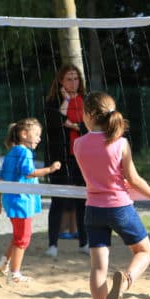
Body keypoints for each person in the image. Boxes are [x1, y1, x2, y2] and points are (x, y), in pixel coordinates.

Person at [73, 91, 150, 299]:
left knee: (98, 269)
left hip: (93, 209)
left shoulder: (78, 144)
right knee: (144, 251)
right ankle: (127, 280)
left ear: (87, 116)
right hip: (119, 207)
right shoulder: (121, 143)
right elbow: (133, 179)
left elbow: (93, 176)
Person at [0, 118, 61, 284]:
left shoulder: (11, 152)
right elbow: (29, 172)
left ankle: (4, 263)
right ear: (24, 134)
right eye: (36, 134)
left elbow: (1, 179)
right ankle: (14, 274)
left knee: (18, 235)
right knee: (23, 237)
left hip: (12, 199)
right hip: (21, 200)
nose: (39, 138)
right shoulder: (24, 152)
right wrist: (50, 169)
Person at [43, 64, 87, 258]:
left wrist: (72, 125)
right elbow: (54, 123)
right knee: (58, 201)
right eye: (69, 78)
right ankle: (52, 244)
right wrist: (67, 102)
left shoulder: (86, 101)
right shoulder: (53, 101)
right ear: (61, 81)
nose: (73, 82)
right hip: (60, 159)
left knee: (83, 201)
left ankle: (84, 243)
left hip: (83, 158)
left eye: (76, 78)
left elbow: (89, 127)